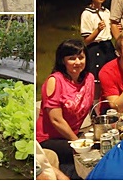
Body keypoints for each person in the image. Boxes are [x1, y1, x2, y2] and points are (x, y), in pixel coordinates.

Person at [36, 39, 94, 176]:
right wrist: (76, 141)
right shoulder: (55, 81)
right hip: (49, 139)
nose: (78, 62)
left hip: (72, 135)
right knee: (80, 154)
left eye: (81, 57)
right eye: (72, 58)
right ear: (63, 61)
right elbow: (56, 120)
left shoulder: (89, 78)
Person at [80, 0, 116, 83]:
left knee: (110, 77)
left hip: (108, 47)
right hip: (95, 49)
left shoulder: (107, 12)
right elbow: (86, 40)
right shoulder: (87, 14)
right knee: (96, 79)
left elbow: (110, 34)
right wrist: (98, 30)